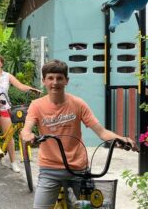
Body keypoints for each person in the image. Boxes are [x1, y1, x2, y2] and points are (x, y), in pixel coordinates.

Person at [21, 59, 138, 208]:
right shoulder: (36, 105)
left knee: (92, 206)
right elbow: (26, 130)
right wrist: (28, 136)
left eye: (59, 78)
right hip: (49, 170)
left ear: (66, 81)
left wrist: (121, 139)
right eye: (50, 78)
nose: (55, 82)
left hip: (79, 170)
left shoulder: (78, 104)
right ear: (44, 81)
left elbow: (102, 133)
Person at [0, 54, 41, 173]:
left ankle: (13, 163)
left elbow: (20, 86)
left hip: (4, 106)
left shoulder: (7, 76)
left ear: (2, 63)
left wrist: (31, 89)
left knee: (9, 135)